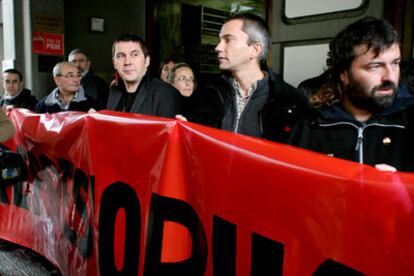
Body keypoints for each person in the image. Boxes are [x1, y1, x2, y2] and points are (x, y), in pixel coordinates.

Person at [288, 17, 414, 172]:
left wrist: (400, 191)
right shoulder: (311, 127)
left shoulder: (409, 123)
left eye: (395, 63)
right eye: (375, 66)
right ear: (344, 74)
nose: (390, 76)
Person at [193, 13, 307, 142]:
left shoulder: (290, 102)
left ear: (254, 50)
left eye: (228, 40)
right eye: (220, 40)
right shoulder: (208, 91)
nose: (218, 47)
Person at [107, 33, 182, 118]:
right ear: (114, 63)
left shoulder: (166, 94)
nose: (127, 62)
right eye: (121, 56)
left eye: (134, 55)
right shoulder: (111, 92)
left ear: (147, 61)